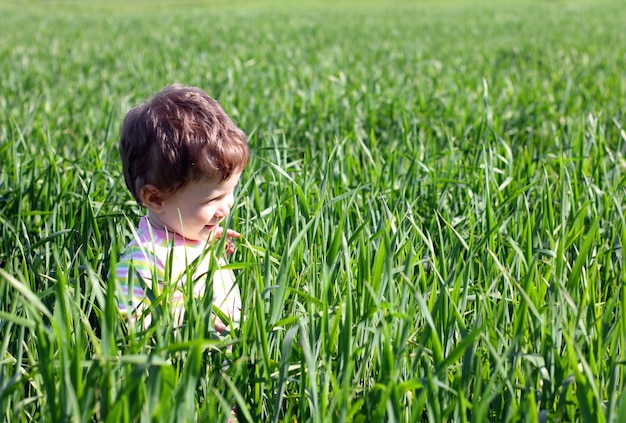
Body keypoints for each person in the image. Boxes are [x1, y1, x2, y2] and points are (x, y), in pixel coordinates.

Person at [113, 84, 249, 333]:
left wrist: (208, 245)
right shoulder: (145, 259)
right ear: (155, 199)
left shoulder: (186, 231)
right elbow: (131, 324)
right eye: (211, 200)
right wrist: (193, 322)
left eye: (231, 192)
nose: (227, 207)